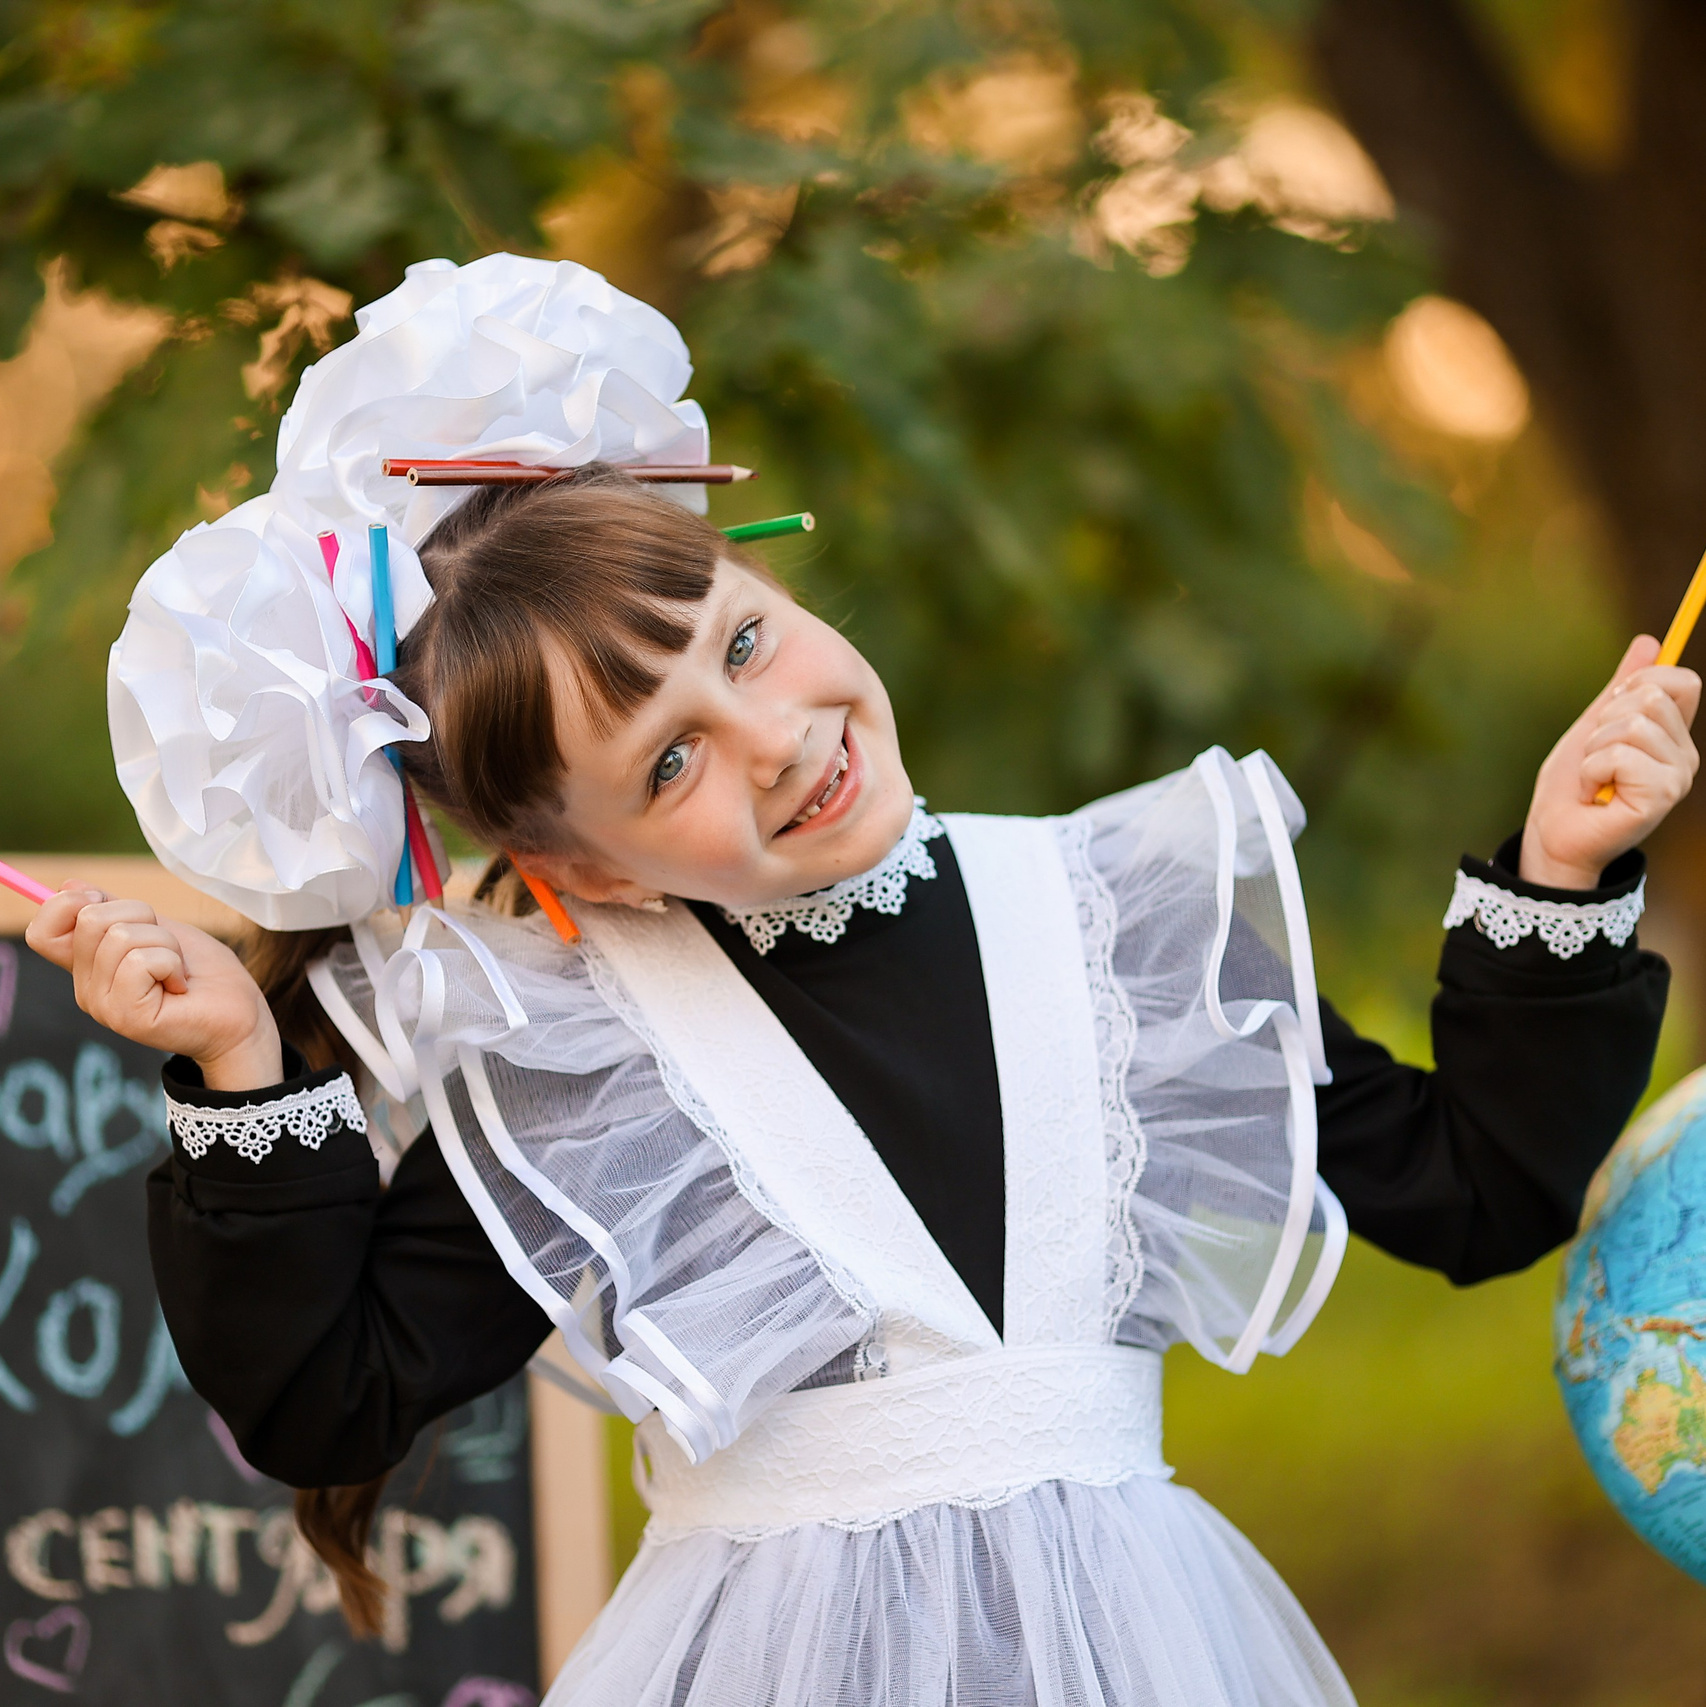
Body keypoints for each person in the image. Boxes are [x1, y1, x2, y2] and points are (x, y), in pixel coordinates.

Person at [25, 255, 1699, 1707]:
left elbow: (1478, 1190)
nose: (774, 739)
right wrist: (246, 1060)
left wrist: (1559, 872)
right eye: (667, 759)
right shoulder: (596, 1058)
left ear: (763, 579)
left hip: (1148, 1653)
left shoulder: (1106, 922)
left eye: (740, 644)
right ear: (586, 870)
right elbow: (332, 1395)